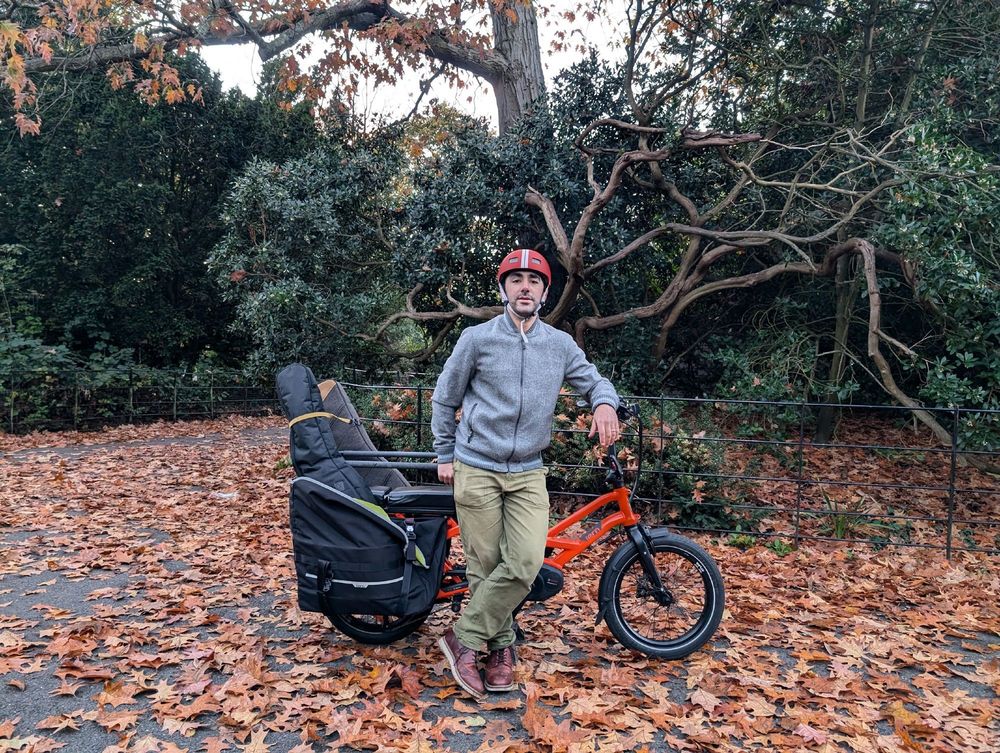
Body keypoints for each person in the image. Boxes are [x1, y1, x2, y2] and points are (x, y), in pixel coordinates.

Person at [431, 248, 621, 699]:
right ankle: (501, 650)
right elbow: (444, 397)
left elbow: (594, 381)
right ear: (503, 289)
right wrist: (444, 454)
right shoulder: (476, 339)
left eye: (534, 281)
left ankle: (463, 637)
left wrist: (604, 403)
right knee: (485, 565)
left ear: (544, 293)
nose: (525, 287)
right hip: (476, 465)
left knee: (525, 562)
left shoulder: (559, 344)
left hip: (528, 471)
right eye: (515, 279)